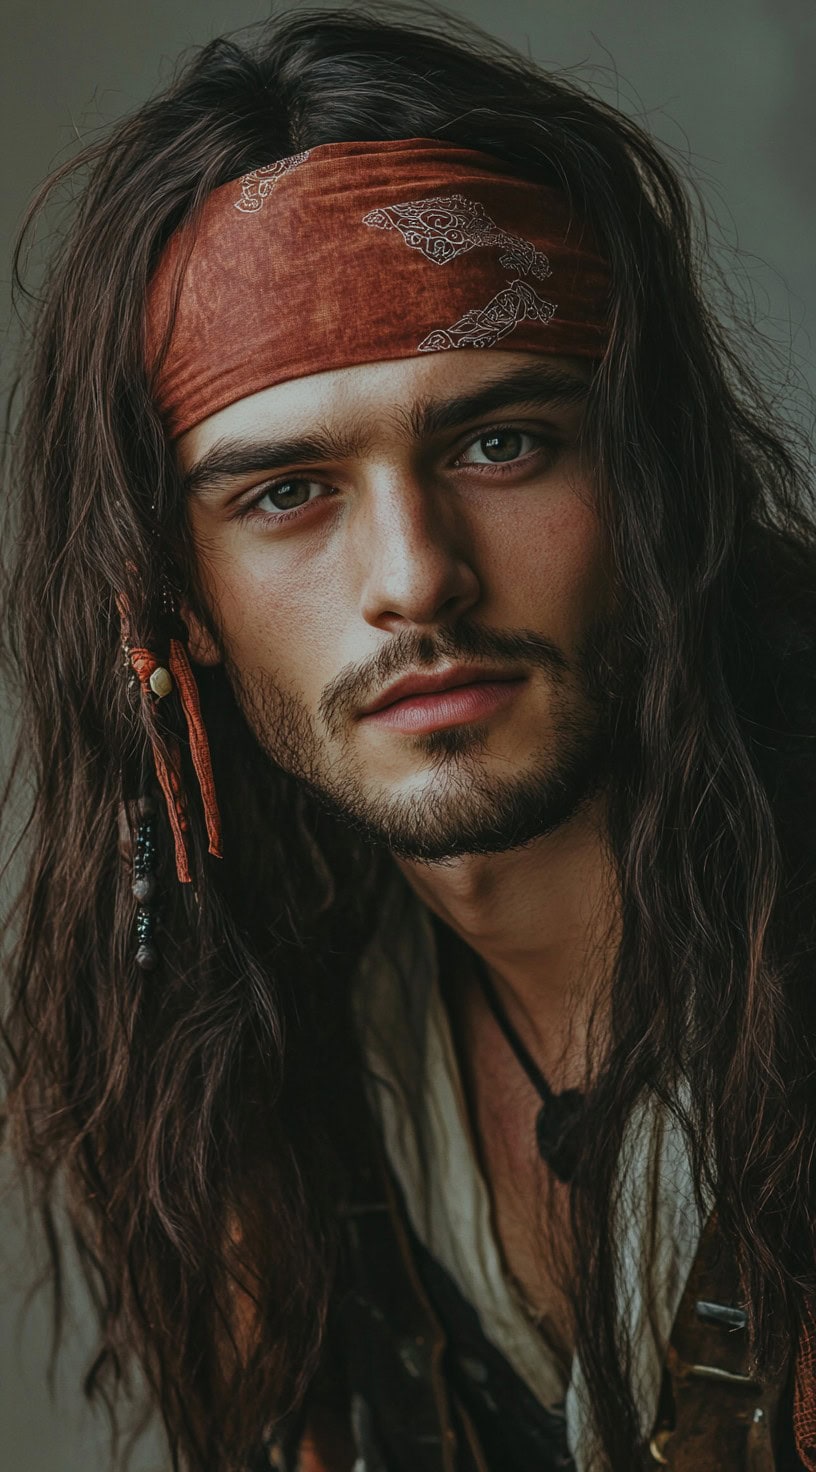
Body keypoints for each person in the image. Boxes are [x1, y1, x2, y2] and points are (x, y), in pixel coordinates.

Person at [3, 8, 815, 1471]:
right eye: (287, 492)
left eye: (499, 445)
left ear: (650, 475)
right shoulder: (259, 1038)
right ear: (168, 602)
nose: (416, 576)